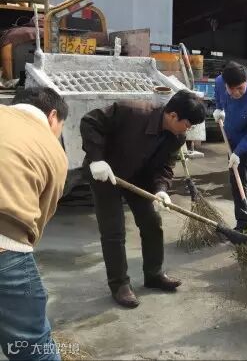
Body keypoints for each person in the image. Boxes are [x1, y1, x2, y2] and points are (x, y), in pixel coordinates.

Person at [80, 90, 206, 308]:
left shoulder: (177, 137)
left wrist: (161, 190)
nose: (188, 129)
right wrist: (96, 158)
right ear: (173, 116)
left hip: (138, 178)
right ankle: (119, 284)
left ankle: (154, 274)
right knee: (113, 231)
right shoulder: (131, 112)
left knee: (152, 223)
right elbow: (90, 121)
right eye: (187, 124)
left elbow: (166, 166)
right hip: (105, 174)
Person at [0, 87, 69, 361]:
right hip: (4, 248)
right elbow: (38, 218)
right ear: (52, 116)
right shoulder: (53, 150)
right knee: (33, 349)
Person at [212, 62, 247, 234]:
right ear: (226, 85)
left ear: (246, 82)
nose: (237, 93)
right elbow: (218, 94)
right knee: (236, 181)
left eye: (240, 88)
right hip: (233, 138)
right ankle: (242, 224)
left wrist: (238, 152)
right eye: (232, 90)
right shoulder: (220, 82)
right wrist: (219, 108)